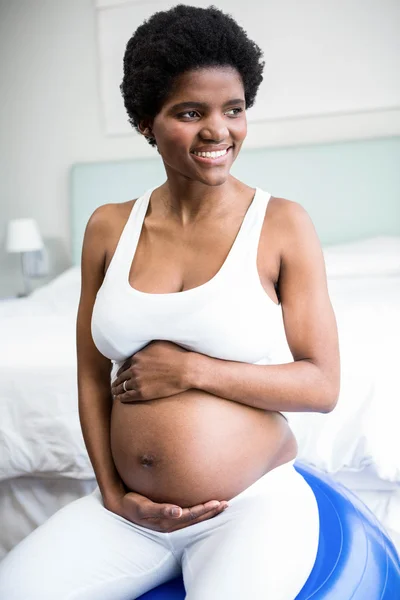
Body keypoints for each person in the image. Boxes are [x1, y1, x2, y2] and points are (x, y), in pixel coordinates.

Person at [0, 4, 340, 599]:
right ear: (146, 123)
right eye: (190, 112)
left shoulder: (282, 223)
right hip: (130, 515)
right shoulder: (108, 227)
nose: (218, 131)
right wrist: (111, 491)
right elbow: (89, 370)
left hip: (250, 506)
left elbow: (322, 385)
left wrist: (192, 370)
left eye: (233, 110)